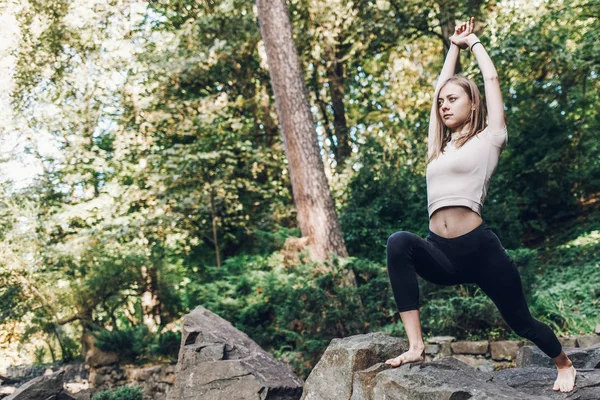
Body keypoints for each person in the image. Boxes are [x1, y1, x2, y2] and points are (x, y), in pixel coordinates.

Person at [383, 17, 577, 393]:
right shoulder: (437, 147)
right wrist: (451, 47)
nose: (443, 105)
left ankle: (564, 363)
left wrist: (472, 43)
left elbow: (491, 80)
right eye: (441, 102)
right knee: (398, 242)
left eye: (453, 100)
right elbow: (439, 87)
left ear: (473, 105)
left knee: (521, 323)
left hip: (481, 251)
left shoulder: (491, 139)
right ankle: (416, 346)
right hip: (439, 252)